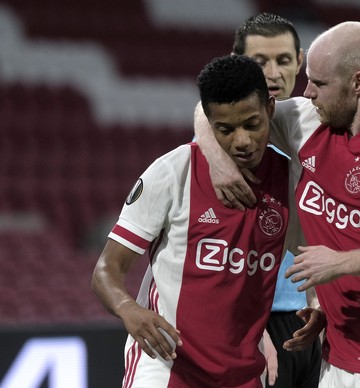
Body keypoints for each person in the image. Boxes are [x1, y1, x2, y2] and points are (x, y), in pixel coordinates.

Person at [195, 21, 360, 388]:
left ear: (358, 83)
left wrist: (339, 263)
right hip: (335, 356)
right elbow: (218, 108)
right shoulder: (306, 121)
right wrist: (218, 162)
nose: (307, 92)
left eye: (318, 83)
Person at [91, 55, 323, 387]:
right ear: (209, 123)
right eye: (225, 129)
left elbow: (311, 253)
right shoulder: (172, 173)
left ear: (271, 110)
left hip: (242, 373)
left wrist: (317, 300)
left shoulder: (290, 181)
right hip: (167, 365)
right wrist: (129, 310)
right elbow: (105, 270)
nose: (241, 141)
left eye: (252, 124)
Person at [231, 12, 321, 388]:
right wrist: (248, 331)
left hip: (308, 316)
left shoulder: (314, 124)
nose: (272, 72)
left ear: (300, 62)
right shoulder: (228, 138)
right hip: (255, 321)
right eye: (259, 62)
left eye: (283, 60)